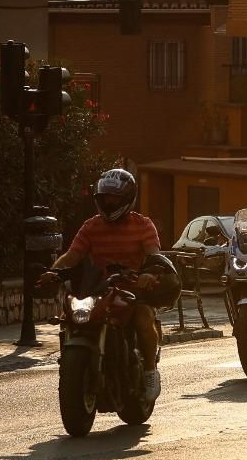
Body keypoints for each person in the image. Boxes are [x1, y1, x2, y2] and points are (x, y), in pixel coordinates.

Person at [37, 168, 169, 401]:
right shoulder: (91, 226)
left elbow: (153, 255)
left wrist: (149, 273)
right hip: (98, 287)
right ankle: (73, 367)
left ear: (128, 199)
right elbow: (72, 255)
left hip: (134, 287)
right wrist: (54, 271)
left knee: (143, 317)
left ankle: (150, 371)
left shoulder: (143, 225)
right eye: (105, 198)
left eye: (114, 198)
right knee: (70, 315)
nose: (109, 202)